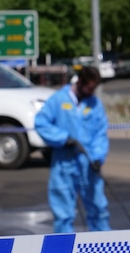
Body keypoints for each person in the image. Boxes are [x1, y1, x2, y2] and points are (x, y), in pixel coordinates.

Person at [35, 66, 110, 233]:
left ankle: (104, 248)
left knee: (98, 210)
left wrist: (98, 157)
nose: (92, 92)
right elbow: (41, 123)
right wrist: (62, 138)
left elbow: (100, 134)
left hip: (89, 164)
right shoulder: (58, 100)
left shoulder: (95, 105)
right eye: (89, 88)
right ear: (80, 82)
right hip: (64, 163)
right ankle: (65, 251)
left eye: (94, 88)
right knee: (63, 214)